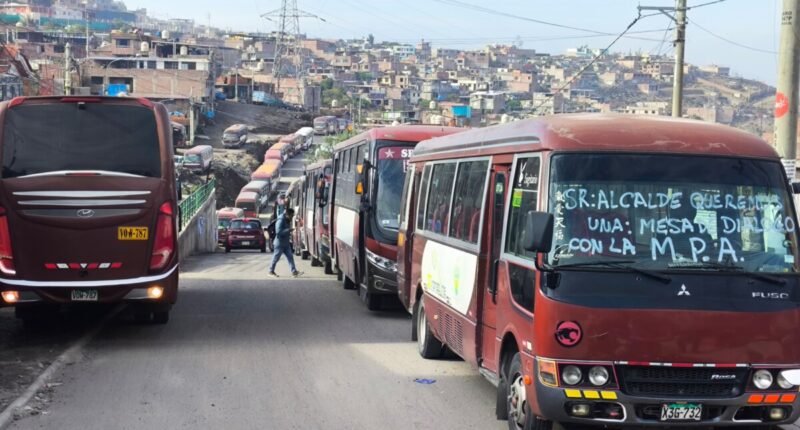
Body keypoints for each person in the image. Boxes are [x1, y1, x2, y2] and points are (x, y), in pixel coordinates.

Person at [269, 207, 301, 277]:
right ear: (287, 214)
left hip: (286, 243)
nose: (292, 217)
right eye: (291, 216)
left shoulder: (286, 219)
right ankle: (271, 271)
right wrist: (288, 230)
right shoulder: (281, 220)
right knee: (276, 258)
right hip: (279, 243)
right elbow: (278, 232)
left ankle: (294, 271)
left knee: (290, 257)